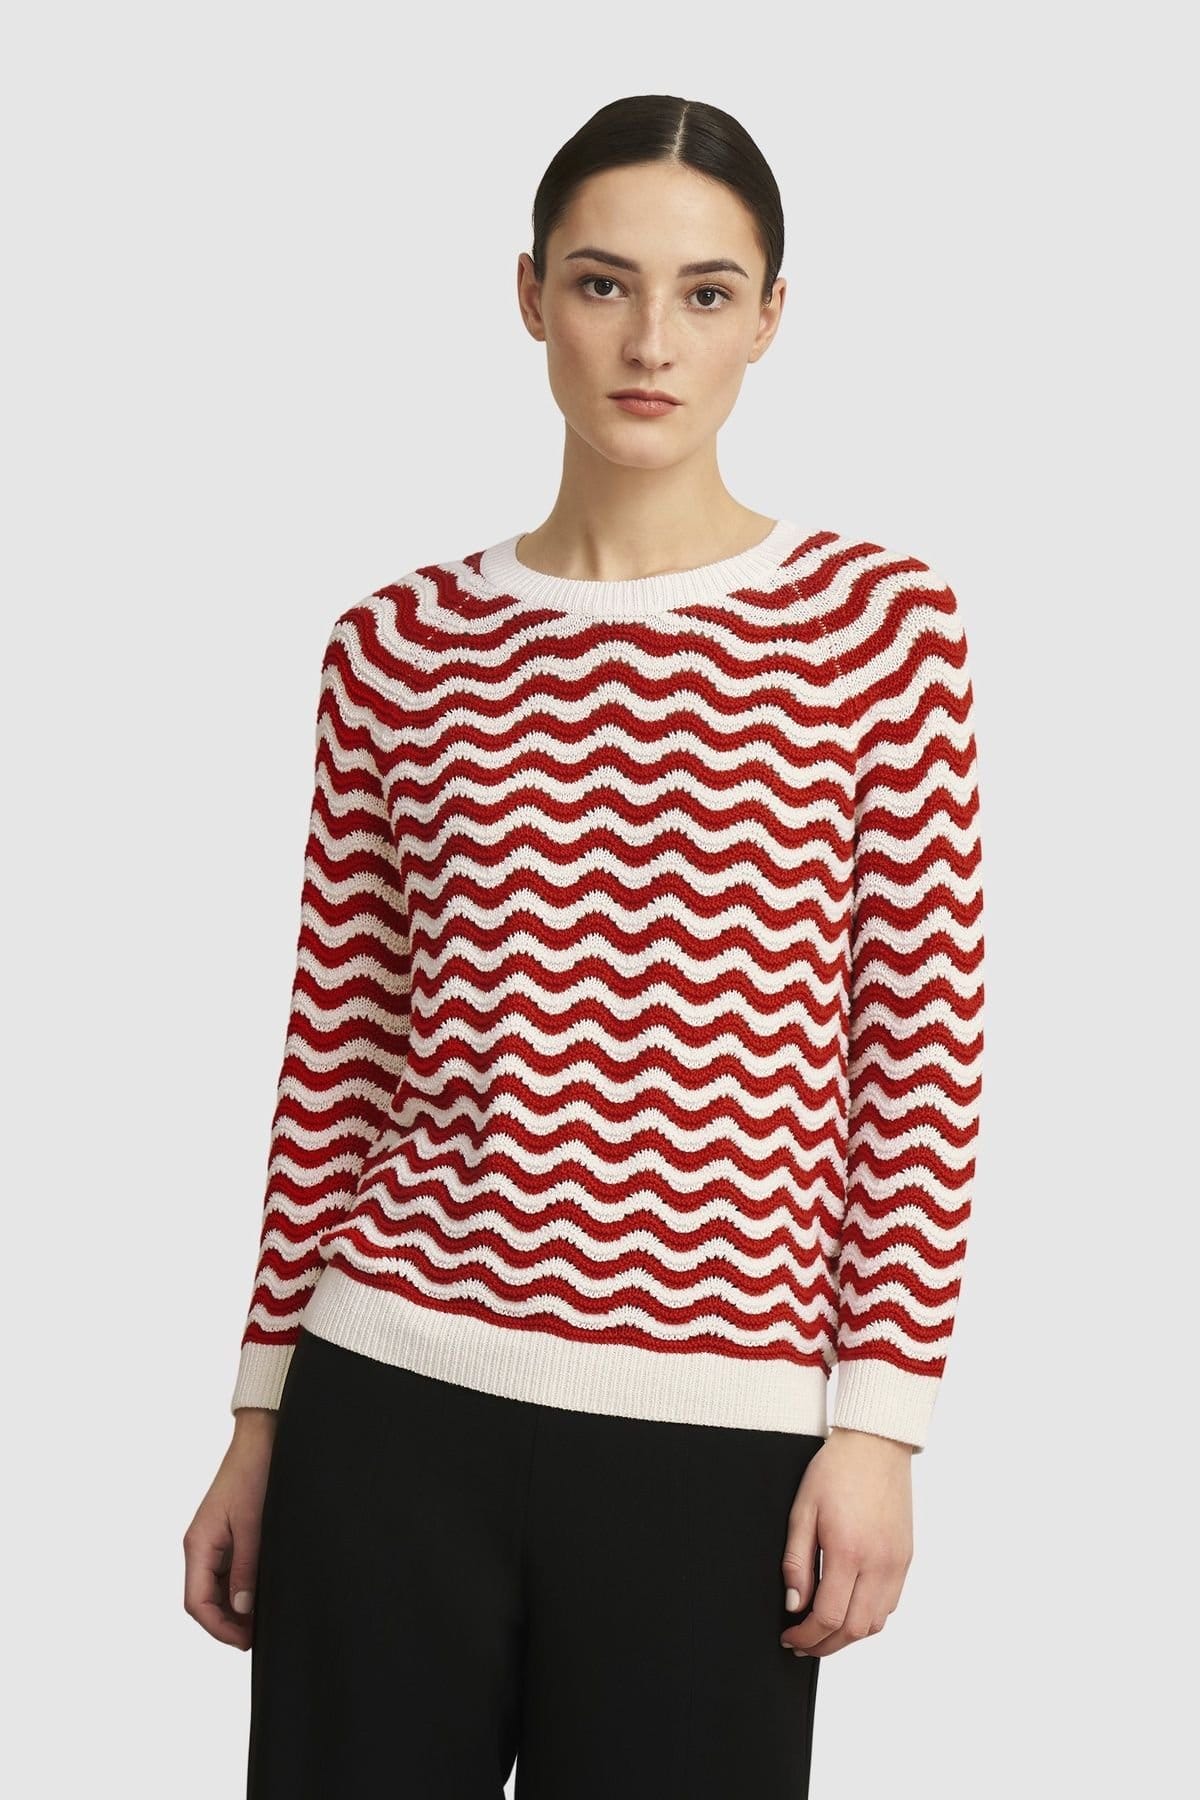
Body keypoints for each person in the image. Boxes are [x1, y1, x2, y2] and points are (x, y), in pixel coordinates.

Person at [183, 92, 985, 1799]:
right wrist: (258, 1417)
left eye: (707, 293)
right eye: (603, 282)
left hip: (718, 1444)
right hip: (389, 1403)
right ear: (531, 293)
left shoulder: (878, 629)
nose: (650, 341)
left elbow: (920, 1053)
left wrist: (881, 1427)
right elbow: (338, 1056)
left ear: (772, 317)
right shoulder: (396, 648)